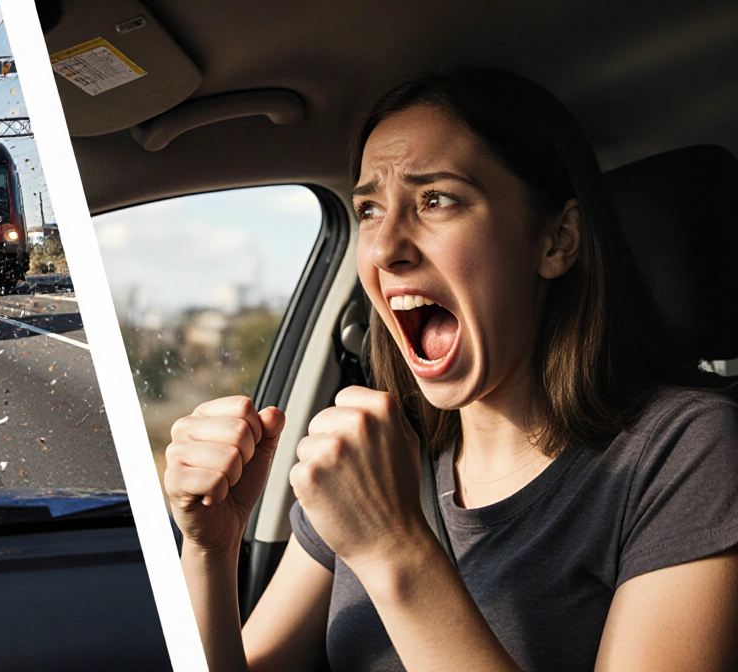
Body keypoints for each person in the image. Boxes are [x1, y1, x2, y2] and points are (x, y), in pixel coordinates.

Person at [164, 66, 738, 672]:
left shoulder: (689, 452)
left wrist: (395, 550)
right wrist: (210, 550)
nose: (385, 248)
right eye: (368, 209)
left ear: (557, 241)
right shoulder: (380, 454)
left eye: (436, 200)